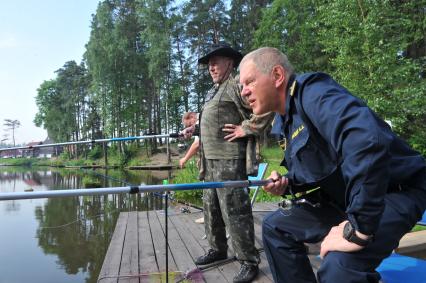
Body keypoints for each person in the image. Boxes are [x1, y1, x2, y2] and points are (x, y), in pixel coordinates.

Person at [238, 47, 426, 283]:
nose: (244, 92)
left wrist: (358, 229)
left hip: (395, 191)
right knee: (275, 227)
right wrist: (286, 185)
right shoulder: (283, 124)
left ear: (277, 76)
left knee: (338, 267)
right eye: (241, 86)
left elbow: (366, 140)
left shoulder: (313, 93)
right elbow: (319, 171)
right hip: (347, 199)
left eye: (249, 82)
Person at [194, 42, 274, 283]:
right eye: (209, 64)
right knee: (211, 209)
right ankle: (218, 249)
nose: (211, 67)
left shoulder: (236, 84)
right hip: (210, 163)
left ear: (230, 62)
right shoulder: (213, 91)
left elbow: (266, 108)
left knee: (235, 213)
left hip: (230, 161)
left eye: (216, 62)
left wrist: (245, 128)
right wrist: (194, 128)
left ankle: (249, 261)